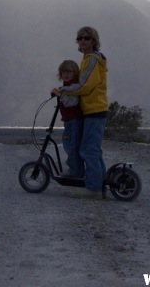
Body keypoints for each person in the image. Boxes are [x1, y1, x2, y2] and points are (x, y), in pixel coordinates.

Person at [54, 26, 108, 196]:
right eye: (80, 38)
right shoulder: (86, 59)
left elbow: (86, 86)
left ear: (94, 40)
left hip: (95, 109)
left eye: (87, 38)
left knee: (88, 149)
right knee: (93, 149)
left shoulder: (92, 59)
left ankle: (93, 189)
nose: (83, 41)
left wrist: (63, 90)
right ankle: (100, 181)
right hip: (90, 110)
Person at [56, 60, 84, 178]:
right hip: (68, 121)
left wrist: (60, 95)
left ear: (75, 73)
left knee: (73, 146)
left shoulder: (74, 87)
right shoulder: (65, 87)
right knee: (67, 144)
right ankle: (75, 169)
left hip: (75, 120)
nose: (66, 74)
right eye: (63, 72)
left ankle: (76, 172)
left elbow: (71, 103)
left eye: (69, 72)